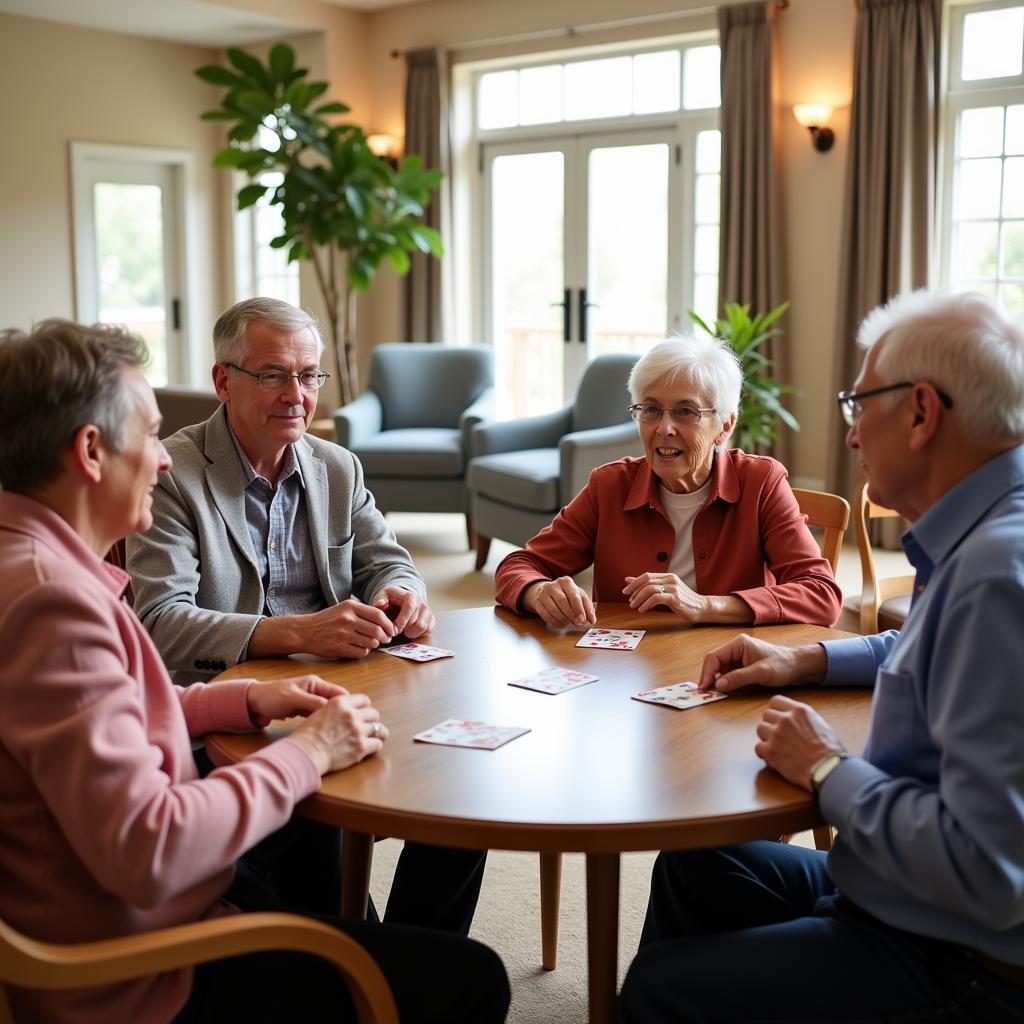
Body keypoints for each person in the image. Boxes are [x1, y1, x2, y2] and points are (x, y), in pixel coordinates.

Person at [0, 319, 509, 1024]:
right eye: (149, 435)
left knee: (443, 793)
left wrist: (241, 700)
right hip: (143, 968)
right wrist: (310, 751)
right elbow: (149, 849)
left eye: (309, 376)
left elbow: (108, 709)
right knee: (471, 977)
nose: (164, 458)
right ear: (91, 451)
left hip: (147, 902)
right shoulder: (52, 604)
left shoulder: (32, 567)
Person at [618, 290, 1024, 1023]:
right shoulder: (985, 536)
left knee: (658, 987)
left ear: (923, 412)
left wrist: (828, 768)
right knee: (697, 865)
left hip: (955, 959)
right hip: (893, 894)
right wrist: (802, 661)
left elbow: (988, 872)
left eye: (858, 404)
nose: (852, 437)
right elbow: (922, 646)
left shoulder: (996, 576)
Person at [126, 297, 486, 935]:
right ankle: (368, 960)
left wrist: (400, 592)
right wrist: (298, 632)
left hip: (343, 687)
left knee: (466, 784)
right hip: (233, 709)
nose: (297, 394)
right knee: (312, 822)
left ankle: (416, 952)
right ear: (224, 380)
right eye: (273, 374)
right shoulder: (172, 474)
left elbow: (391, 562)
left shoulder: (336, 467)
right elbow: (163, 622)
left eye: (310, 375)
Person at [494, 334, 841, 629]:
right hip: (624, 674)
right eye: (651, 409)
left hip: (728, 666)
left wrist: (705, 605)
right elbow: (518, 566)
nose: (664, 428)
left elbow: (821, 594)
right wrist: (539, 592)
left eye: (686, 412)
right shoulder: (609, 486)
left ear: (725, 425)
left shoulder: (760, 482)